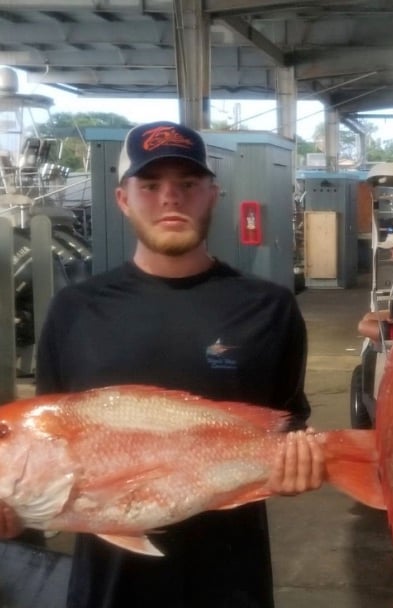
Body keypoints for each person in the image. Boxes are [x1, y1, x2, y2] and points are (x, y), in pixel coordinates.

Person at [0, 120, 325, 608]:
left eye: (187, 185)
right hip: (106, 589)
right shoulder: (75, 309)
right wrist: (15, 512)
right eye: (150, 185)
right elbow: (52, 453)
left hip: (231, 584)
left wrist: (296, 466)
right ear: (123, 199)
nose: (170, 198)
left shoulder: (269, 307)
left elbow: (285, 426)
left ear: (213, 194)